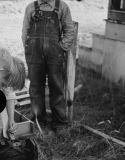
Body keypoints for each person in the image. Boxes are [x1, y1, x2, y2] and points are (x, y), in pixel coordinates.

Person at [21, 0, 75, 136]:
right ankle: (39, 121)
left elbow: (69, 31)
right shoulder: (31, 7)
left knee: (56, 87)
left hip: (54, 54)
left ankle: (60, 123)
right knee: (35, 88)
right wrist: (29, 48)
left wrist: (60, 48)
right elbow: (25, 31)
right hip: (34, 53)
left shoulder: (62, 7)